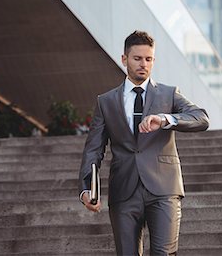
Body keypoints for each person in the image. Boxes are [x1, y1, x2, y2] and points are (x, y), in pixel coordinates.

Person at [78, 30, 209, 255]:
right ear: (124, 59)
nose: (143, 64)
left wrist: (166, 119)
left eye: (148, 59)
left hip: (164, 189)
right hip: (124, 190)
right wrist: (86, 189)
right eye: (137, 58)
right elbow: (93, 149)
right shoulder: (106, 102)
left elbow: (201, 118)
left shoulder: (169, 94)